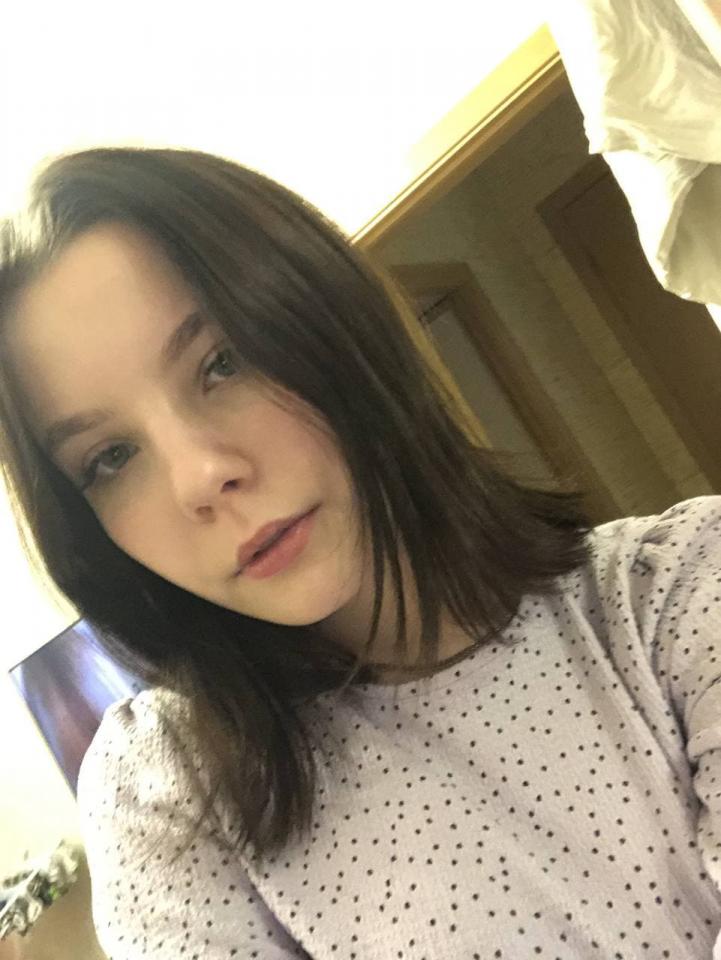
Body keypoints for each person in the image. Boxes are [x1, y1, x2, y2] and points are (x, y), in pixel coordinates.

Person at [0, 146, 719, 959]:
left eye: (222, 363)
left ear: (327, 319)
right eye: (109, 458)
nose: (200, 477)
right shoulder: (166, 793)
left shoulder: (677, 590)